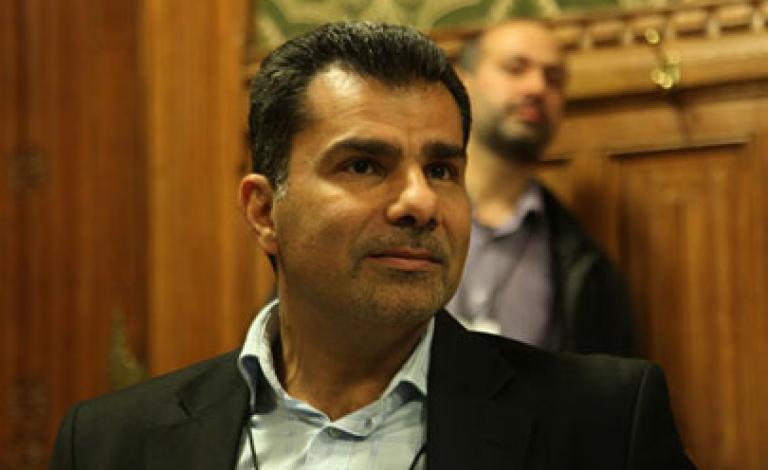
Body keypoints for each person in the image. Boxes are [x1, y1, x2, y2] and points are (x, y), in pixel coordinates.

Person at [49, 21, 694, 469]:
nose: (420, 201)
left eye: (441, 169)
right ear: (264, 211)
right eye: (363, 165)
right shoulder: (109, 445)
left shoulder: (603, 426)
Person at [447, 20, 635, 355]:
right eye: (515, 69)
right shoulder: (410, 214)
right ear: (463, 83)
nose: (536, 87)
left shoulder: (584, 260)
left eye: (554, 78)